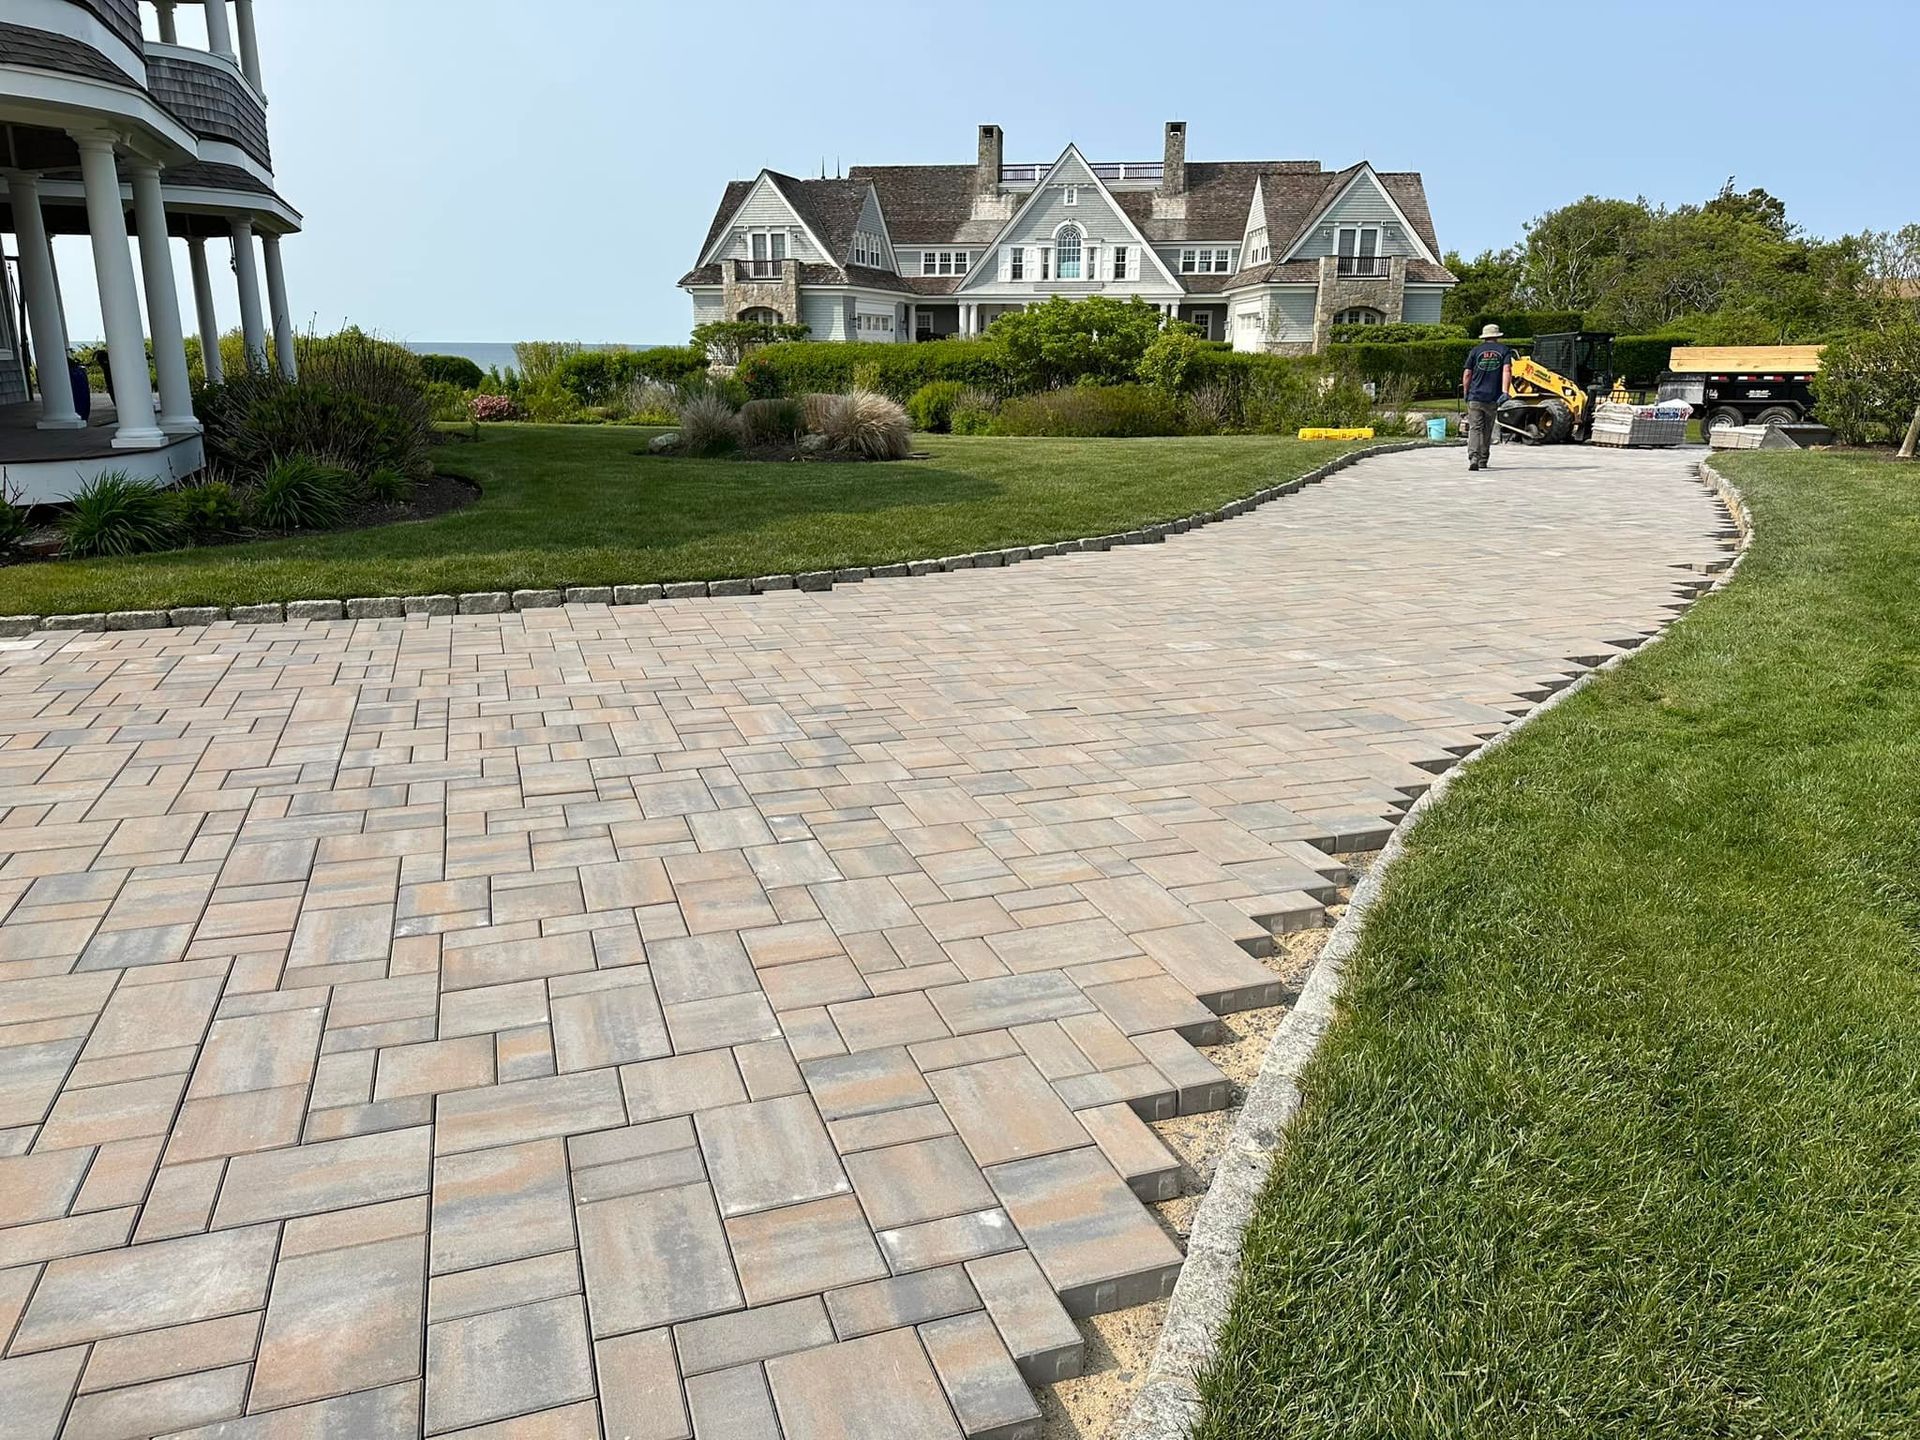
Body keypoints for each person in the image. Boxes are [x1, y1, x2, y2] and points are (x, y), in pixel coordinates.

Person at [1461, 323, 1514, 471]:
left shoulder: (1475, 351)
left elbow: (1467, 374)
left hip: (1475, 395)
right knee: (1487, 428)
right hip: (1493, 396)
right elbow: (1507, 370)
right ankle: (1483, 459)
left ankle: (1474, 457)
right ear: (1497, 336)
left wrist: (1466, 391)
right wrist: (1505, 391)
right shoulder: (1504, 350)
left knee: (1475, 428)